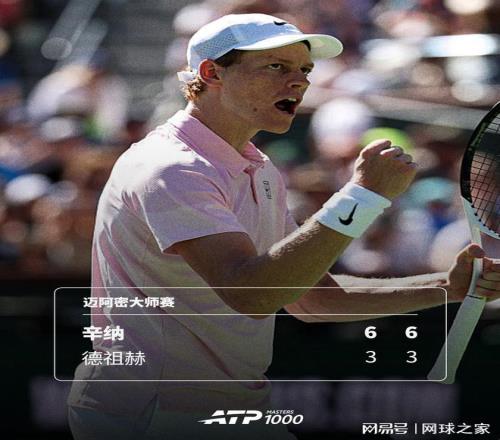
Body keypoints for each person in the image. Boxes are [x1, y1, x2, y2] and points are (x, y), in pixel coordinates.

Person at [67, 13, 500, 440]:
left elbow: (311, 298)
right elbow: (251, 294)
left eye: (304, 70)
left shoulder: (259, 167)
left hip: (227, 406)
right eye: (276, 67)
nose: (299, 82)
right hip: (151, 410)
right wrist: (363, 197)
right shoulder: (171, 168)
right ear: (212, 73)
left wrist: (445, 287)